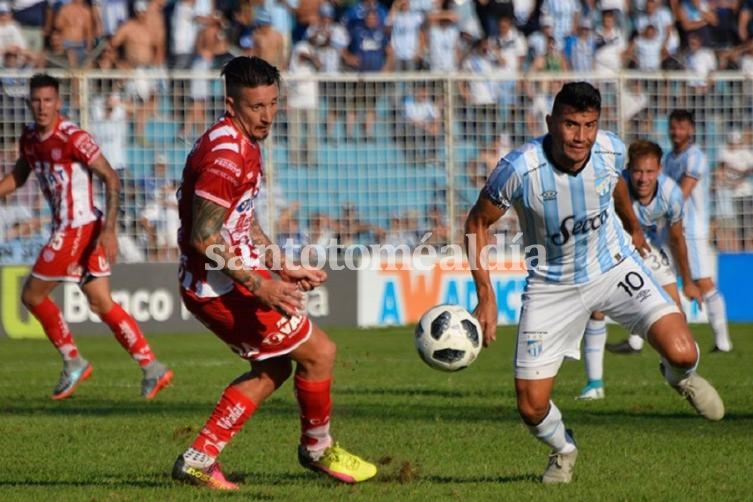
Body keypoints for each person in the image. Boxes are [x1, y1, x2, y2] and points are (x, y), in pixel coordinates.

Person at [464, 82, 724, 484]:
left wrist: (631, 224)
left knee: (683, 351)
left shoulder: (610, 149)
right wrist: (486, 296)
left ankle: (679, 378)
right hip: (552, 287)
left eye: (589, 125)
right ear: (551, 122)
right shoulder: (519, 169)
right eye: (570, 124)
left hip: (613, 267)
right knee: (531, 407)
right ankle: (564, 449)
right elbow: (477, 223)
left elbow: (616, 184)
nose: (581, 136)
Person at [171, 56, 377, 490]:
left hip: (230, 280)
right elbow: (204, 239)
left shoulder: (245, 143)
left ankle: (199, 458)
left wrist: (280, 264)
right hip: (220, 287)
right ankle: (317, 449)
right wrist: (259, 284)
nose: (266, 116)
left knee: (274, 370)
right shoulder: (224, 156)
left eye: (272, 104)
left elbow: (242, 221)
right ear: (231, 105)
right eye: (255, 107)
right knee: (320, 353)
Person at [0, 74, 173, 400]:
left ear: (59, 102)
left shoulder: (72, 137)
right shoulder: (31, 139)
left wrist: (109, 230)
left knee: (32, 296)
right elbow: (19, 176)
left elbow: (110, 177)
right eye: (36, 101)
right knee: (100, 302)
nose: (41, 107)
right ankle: (153, 367)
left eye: (48, 100)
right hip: (75, 228)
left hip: (77, 228)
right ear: (28, 103)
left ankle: (73, 360)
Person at [577, 140, 703, 400]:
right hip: (615, 250)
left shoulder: (672, 194)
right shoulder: (612, 188)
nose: (643, 178)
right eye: (637, 171)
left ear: (659, 169)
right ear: (628, 170)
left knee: (677, 317)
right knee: (597, 310)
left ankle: (680, 376)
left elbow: (677, 239)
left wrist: (688, 280)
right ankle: (595, 384)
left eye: (649, 172)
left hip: (649, 250)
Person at [657, 109, 733, 352]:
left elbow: (682, 192)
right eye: (673, 127)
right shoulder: (669, 158)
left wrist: (657, 207)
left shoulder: (695, 156)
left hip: (692, 229)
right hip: (672, 227)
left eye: (681, 127)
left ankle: (723, 342)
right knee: (653, 272)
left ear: (691, 130)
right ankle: (637, 341)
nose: (676, 132)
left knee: (702, 282)